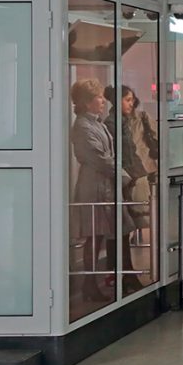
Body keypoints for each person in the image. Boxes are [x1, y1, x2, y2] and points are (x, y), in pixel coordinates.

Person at [70, 79, 133, 302]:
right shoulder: (83, 127)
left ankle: (99, 281)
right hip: (94, 187)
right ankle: (90, 283)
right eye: (98, 97)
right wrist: (124, 176)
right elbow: (99, 158)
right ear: (87, 102)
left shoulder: (96, 124)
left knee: (102, 234)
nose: (103, 101)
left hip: (105, 185)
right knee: (94, 235)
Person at [105, 85, 159, 294]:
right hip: (124, 179)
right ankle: (121, 272)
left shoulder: (129, 120)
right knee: (122, 228)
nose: (131, 103)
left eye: (131, 99)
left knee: (128, 227)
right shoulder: (112, 123)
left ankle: (125, 272)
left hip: (133, 177)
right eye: (127, 99)